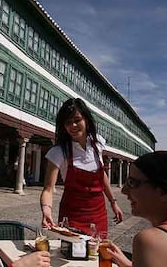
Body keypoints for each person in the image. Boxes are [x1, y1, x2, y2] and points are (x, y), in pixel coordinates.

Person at [40, 98, 123, 234]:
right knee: (71, 253)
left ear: (87, 120)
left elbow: (102, 176)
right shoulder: (59, 152)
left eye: (77, 120)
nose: (73, 125)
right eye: (68, 123)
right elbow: (48, 189)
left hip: (98, 213)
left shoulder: (98, 144)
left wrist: (113, 202)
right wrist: (46, 209)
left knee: (96, 252)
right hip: (72, 216)